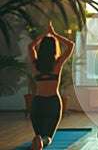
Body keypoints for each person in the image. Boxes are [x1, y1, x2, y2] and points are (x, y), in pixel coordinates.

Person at [27, 21, 75, 150]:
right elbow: (71, 45)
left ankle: (38, 139)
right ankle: (42, 141)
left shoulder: (35, 65)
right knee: (48, 136)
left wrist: (43, 35)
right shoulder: (57, 65)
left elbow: (30, 46)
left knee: (39, 132)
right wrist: (54, 34)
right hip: (52, 102)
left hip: (37, 103)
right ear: (54, 48)